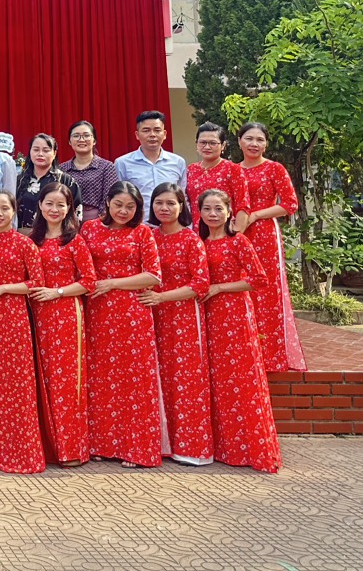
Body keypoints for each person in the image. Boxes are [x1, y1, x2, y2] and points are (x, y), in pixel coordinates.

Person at [80, 182, 164, 467]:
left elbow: (153, 275)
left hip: (132, 312)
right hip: (97, 311)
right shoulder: (89, 229)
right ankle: (101, 444)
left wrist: (112, 283)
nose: (123, 211)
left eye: (130, 207)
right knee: (100, 377)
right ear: (107, 203)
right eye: (118, 205)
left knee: (134, 379)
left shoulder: (142, 233)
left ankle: (136, 448)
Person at [199, 188, 282, 473]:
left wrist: (220, 287)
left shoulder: (238, 242)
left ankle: (252, 447)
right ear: (199, 212)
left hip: (234, 314)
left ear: (229, 212)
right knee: (218, 380)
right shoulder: (200, 242)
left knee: (242, 378)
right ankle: (225, 447)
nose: (213, 214)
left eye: (218, 209)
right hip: (207, 316)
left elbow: (259, 279)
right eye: (207, 209)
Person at [0, 190, 45, 474]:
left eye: (5, 208)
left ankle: (21, 449)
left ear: (14, 211)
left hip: (15, 318)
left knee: (17, 382)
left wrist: (3, 288)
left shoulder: (25, 244)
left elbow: (37, 282)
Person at [141, 183, 213, 466]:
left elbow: (200, 284)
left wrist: (162, 297)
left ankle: (191, 447)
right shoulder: (149, 237)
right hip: (153, 315)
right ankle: (161, 443)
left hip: (183, 316)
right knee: (159, 378)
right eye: (159, 202)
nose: (164, 208)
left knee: (185, 379)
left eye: (171, 203)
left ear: (182, 207)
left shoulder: (191, 240)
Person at [26, 182, 95, 467]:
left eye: (60, 205)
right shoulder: (32, 241)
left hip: (65, 313)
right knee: (40, 379)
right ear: (40, 205)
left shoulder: (74, 241)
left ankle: (70, 449)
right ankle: (45, 447)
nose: (54, 209)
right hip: (36, 315)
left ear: (69, 209)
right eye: (49, 203)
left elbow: (89, 281)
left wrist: (57, 292)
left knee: (65, 379)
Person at [237, 121, 306, 372]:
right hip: (237, 233)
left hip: (265, 234)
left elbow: (290, 204)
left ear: (266, 144)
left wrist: (255, 215)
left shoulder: (274, 168)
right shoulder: (232, 170)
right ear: (239, 142)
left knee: (267, 289)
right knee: (240, 286)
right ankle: (245, 350)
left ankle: (271, 354)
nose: (254, 144)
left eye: (260, 139)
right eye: (249, 138)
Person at [114, 111, 187, 223]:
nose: (152, 134)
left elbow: (183, 197)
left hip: (171, 226)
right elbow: (117, 197)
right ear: (137, 135)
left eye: (157, 130)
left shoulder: (178, 162)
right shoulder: (122, 163)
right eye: (146, 130)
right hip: (137, 225)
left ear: (165, 134)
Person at [186, 122, 251, 230]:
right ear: (197, 144)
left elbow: (243, 206)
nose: (207, 147)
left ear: (223, 145)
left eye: (213, 143)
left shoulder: (233, 169)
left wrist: (237, 234)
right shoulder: (191, 169)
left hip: (224, 232)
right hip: (196, 232)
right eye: (203, 142)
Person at [15, 133, 81, 233]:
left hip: (56, 235)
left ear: (54, 153)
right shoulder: (19, 180)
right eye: (36, 150)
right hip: (23, 235)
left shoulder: (66, 181)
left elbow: (76, 213)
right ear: (30, 152)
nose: (40, 154)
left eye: (46, 150)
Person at [60, 121, 120, 223]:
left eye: (86, 135)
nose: (81, 139)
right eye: (76, 136)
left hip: (98, 220)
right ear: (69, 141)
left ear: (94, 140)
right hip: (67, 220)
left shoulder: (106, 167)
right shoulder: (62, 169)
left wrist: (98, 223)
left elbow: (110, 198)